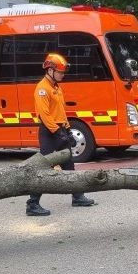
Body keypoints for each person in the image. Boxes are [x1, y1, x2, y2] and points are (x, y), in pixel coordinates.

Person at [26, 52, 95, 216]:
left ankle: (77, 196)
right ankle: (32, 204)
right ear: (50, 70)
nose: (63, 75)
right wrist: (58, 133)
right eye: (60, 72)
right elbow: (45, 115)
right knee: (44, 169)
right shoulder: (42, 89)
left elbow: (60, 112)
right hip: (49, 133)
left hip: (60, 130)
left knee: (69, 165)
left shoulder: (56, 88)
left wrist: (67, 129)